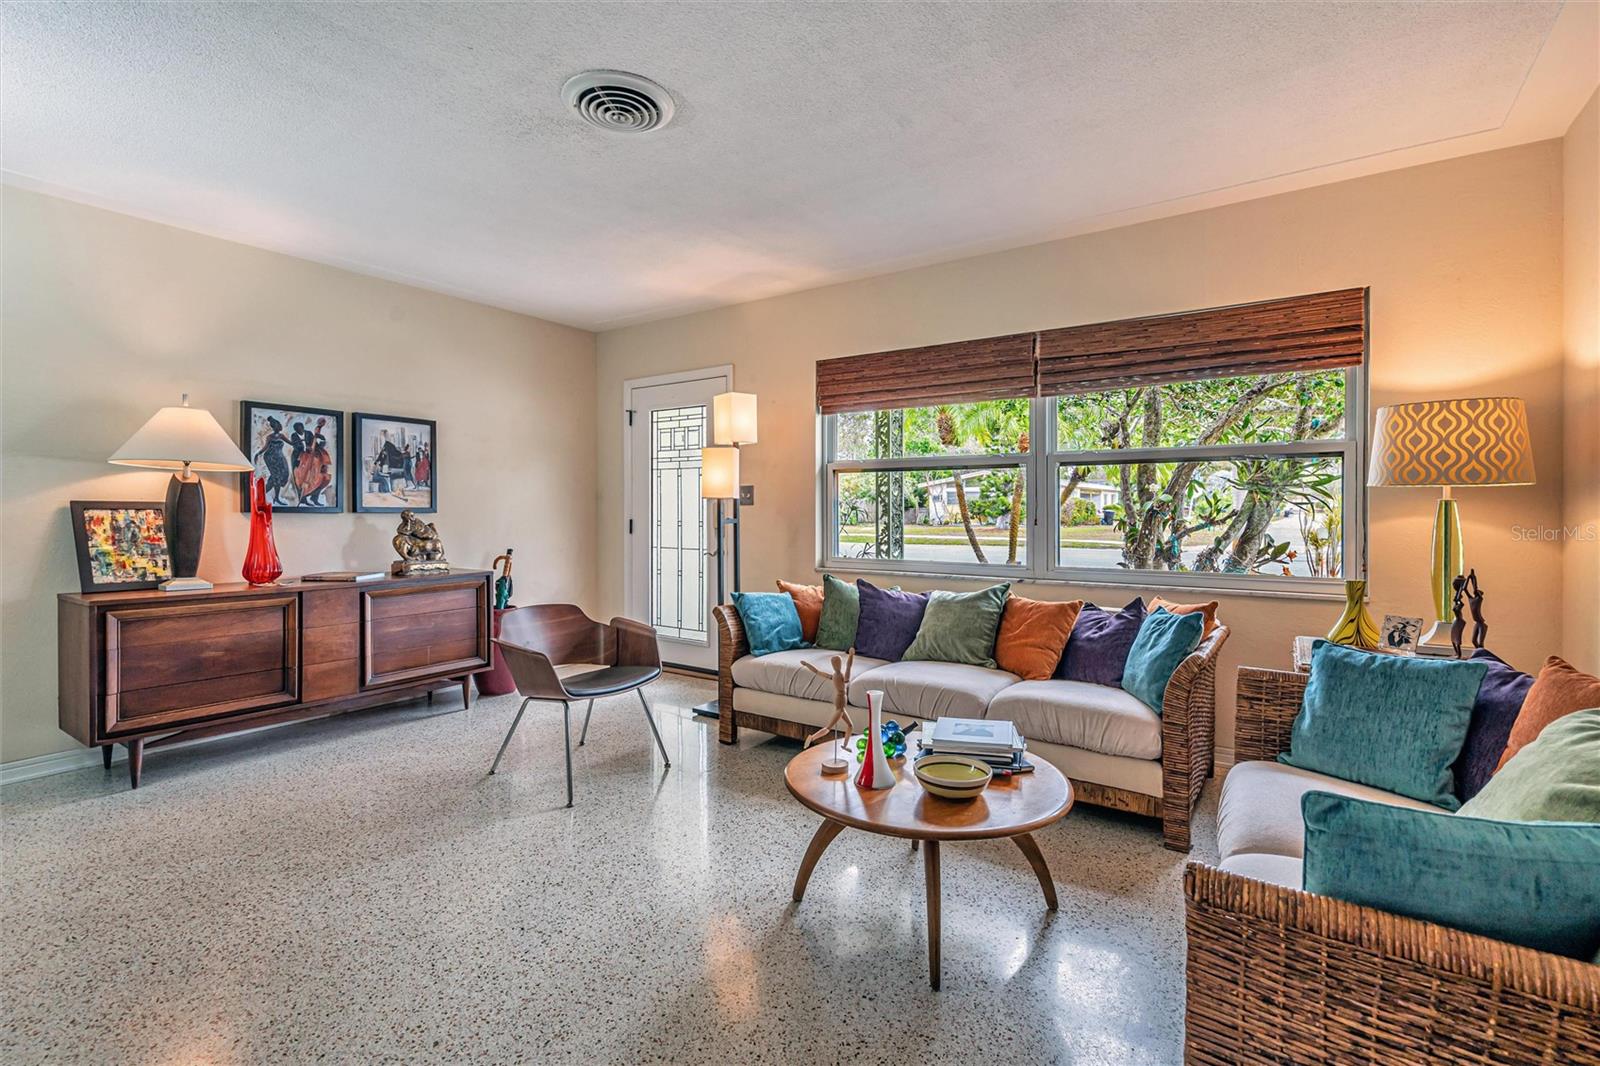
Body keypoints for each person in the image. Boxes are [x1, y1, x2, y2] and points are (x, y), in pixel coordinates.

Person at [254, 416, 292, 506]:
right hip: (270, 457)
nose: (278, 428)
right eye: (276, 426)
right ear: (273, 427)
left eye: (279, 426)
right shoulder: (269, 437)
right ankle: (276, 498)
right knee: (276, 477)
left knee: (283, 474)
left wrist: (301, 442)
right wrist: (258, 454)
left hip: (280, 457)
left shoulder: (281, 436)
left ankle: (261, 494)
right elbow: (265, 447)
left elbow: (291, 443)